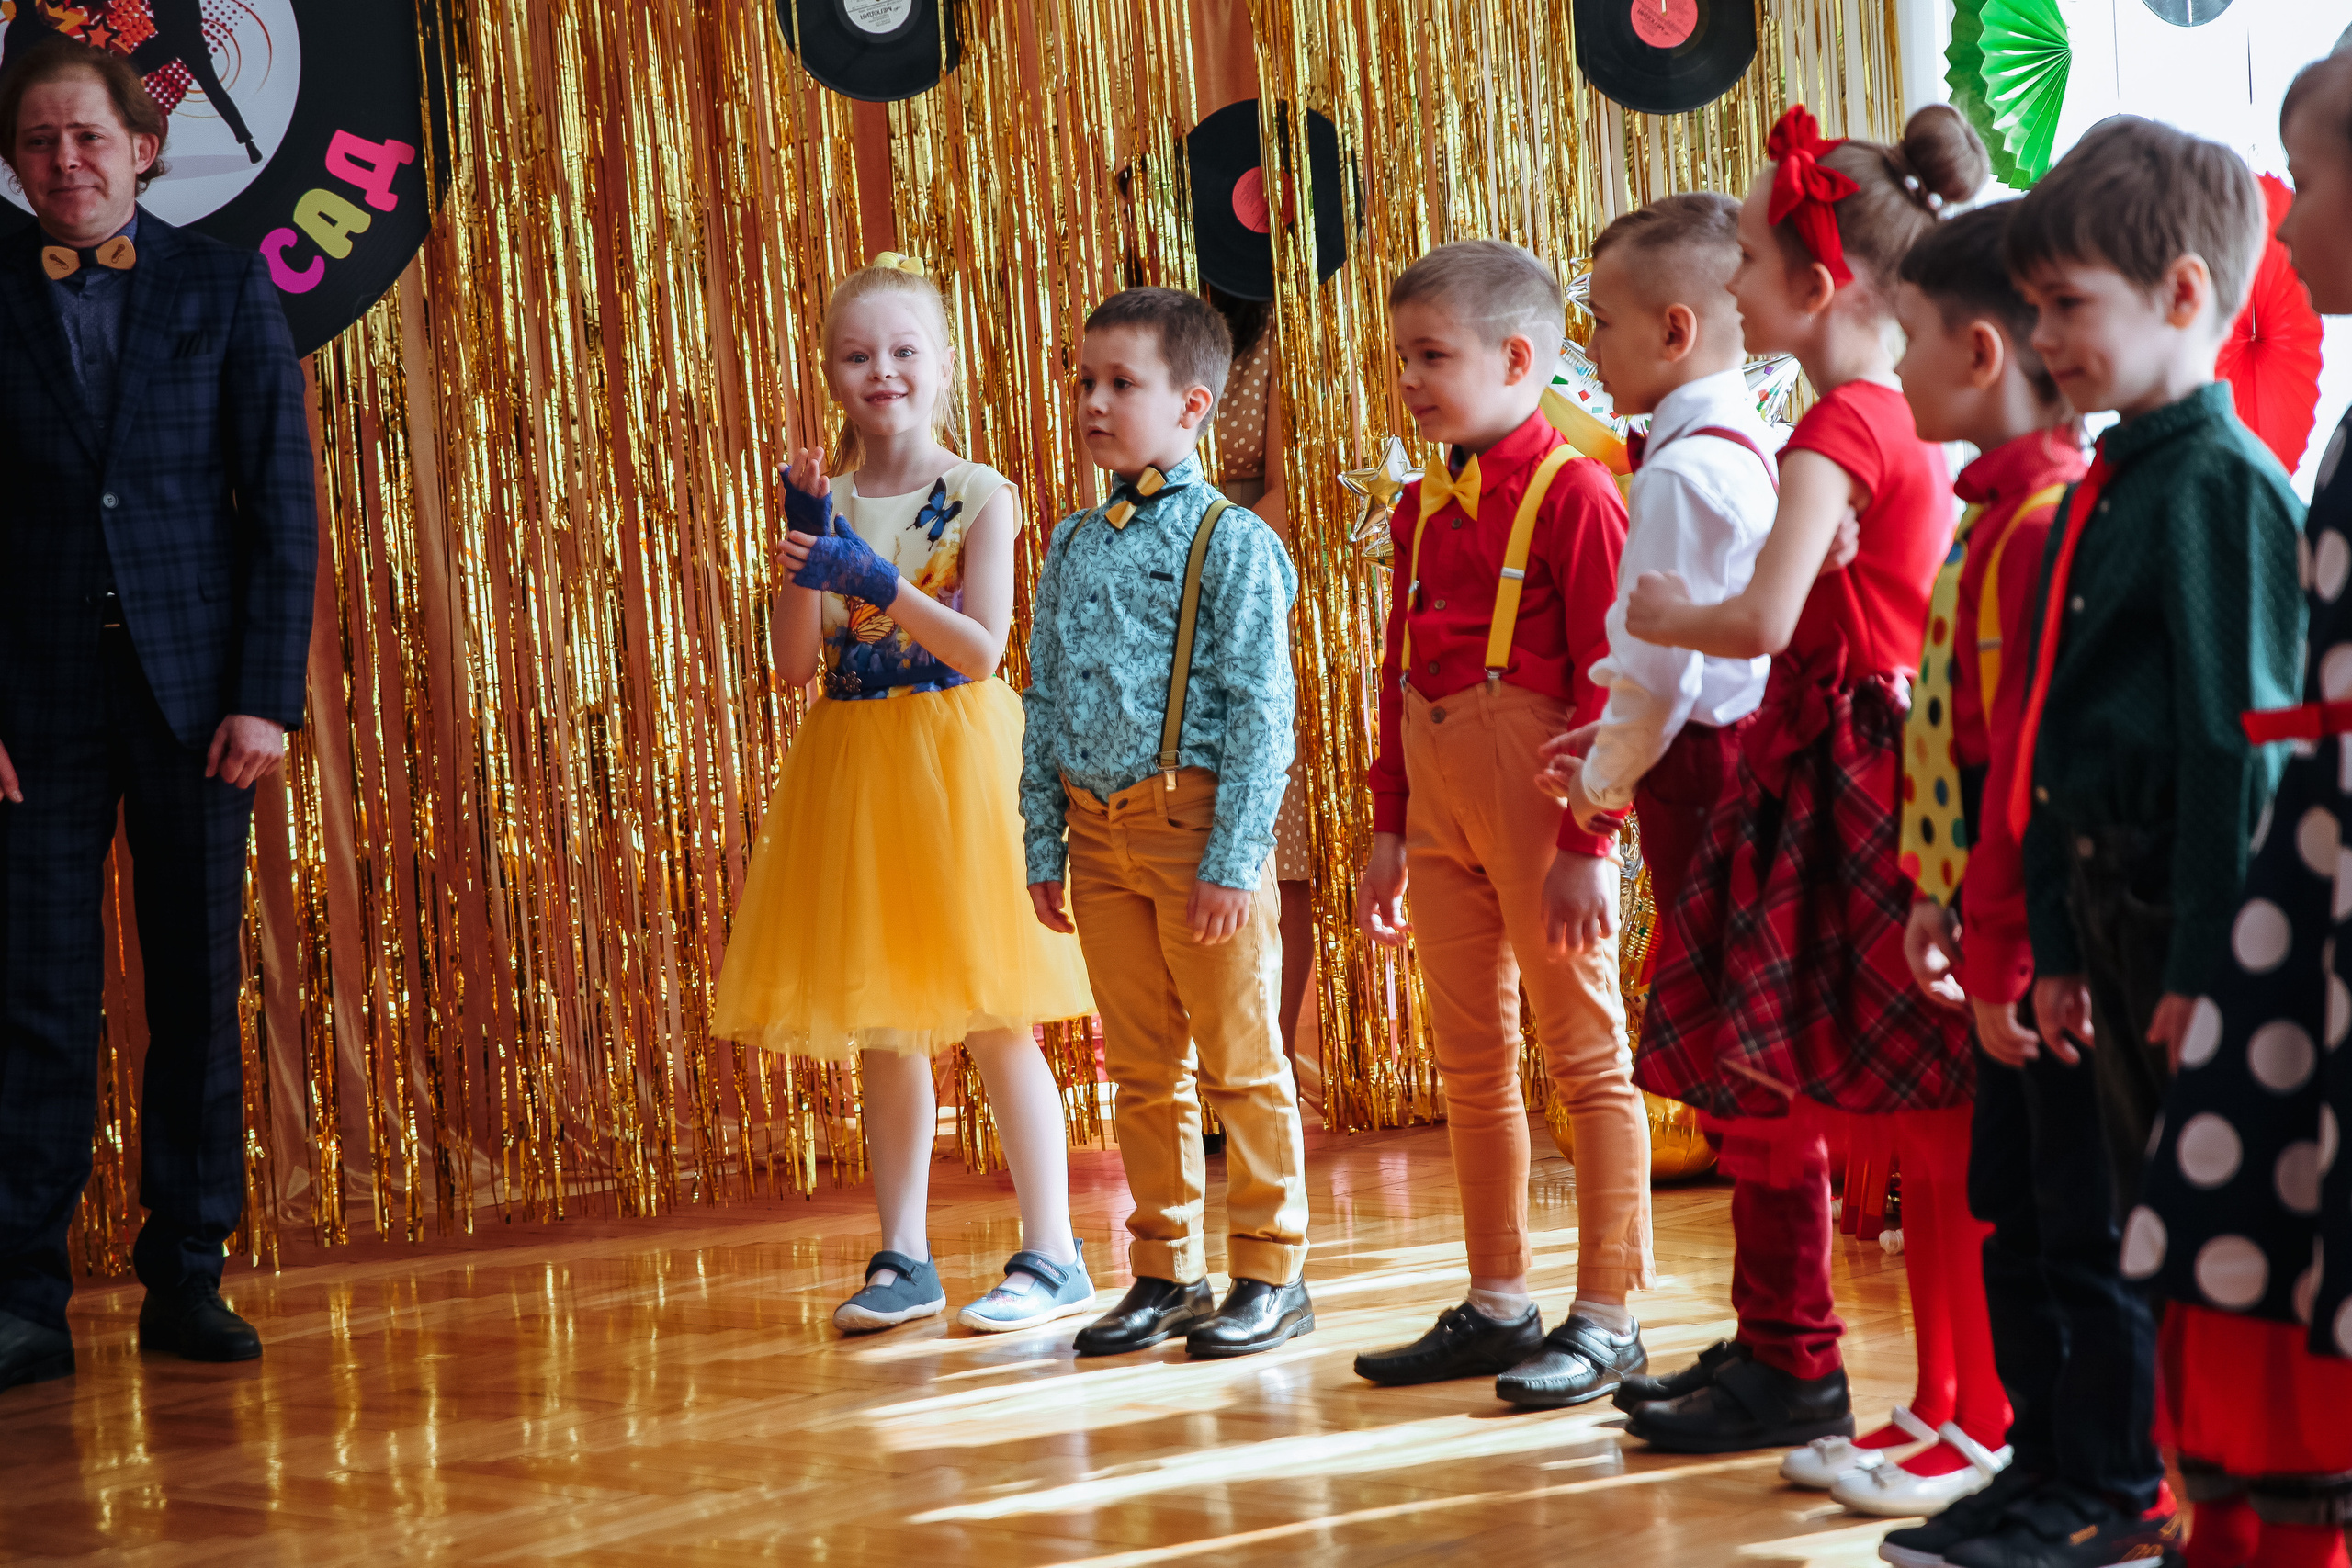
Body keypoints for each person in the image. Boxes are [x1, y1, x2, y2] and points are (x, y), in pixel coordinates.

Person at [1926, 116, 2305, 1568]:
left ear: (2186, 295)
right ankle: (2146, 1482)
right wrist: (2060, 940)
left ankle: (2195, 1494)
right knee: (2133, 1213)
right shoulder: (2113, 476)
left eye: (2068, 304)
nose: (2043, 337)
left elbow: (2231, 746)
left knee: (2181, 1229)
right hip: (2109, 909)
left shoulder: (2217, 486)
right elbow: (2050, 742)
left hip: (2183, 916)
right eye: (2032, 307)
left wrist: (2208, 961)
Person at [1613, 103, 1987, 1456]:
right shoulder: (1896, 417)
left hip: (1840, 767)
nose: (1732, 284)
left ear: (1818, 285)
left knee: (1794, 1067)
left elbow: (1765, 618)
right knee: (1824, 1077)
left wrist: (1670, 613)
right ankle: (1812, 1353)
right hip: (1866, 749)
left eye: (1749, 262)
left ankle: (1839, 1369)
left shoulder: (1838, 430)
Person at [0, 39, 316, 1390]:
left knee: (194, 992)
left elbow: (281, 505)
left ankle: (187, 1272)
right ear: (16, 165)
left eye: (87, 137)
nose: (65, 161)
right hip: (33, 709)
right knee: (35, 997)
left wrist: (265, 696)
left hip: (199, 706)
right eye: (38, 142)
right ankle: (23, 1295)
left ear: (141, 149)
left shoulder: (223, 286)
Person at [711, 254, 1097, 1337]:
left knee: (996, 1019)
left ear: (942, 367)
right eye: (857, 355)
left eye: (902, 351)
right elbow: (795, 665)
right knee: (886, 1027)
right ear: (832, 375)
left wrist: (878, 582)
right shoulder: (827, 501)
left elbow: (981, 651)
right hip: (855, 770)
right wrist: (804, 556)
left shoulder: (979, 493)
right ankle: (904, 1257)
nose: (881, 370)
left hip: (958, 763)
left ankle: (1054, 1252)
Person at [1810, 202, 2088, 1540]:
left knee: (2041, 1219)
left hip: (2020, 935)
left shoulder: (2037, 521)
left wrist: (1996, 937)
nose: (1893, 360)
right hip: (1969, 905)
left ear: (1978, 353)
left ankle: (2045, 1456)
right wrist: (1931, 883)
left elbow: (2022, 762)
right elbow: (1954, 733)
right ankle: (1992, 1434)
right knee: (1993, 1193)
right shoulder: (1989, 513)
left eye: (1909, 334)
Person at [2115, 58, 2352, 1568]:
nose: (2292, 218)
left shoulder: (2223, 480)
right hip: (2311, 888)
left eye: (2311, 182)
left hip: (2317, 886)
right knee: (2268, 1221)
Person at [1348, 239, 1653, 1407]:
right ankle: (1496, 1302)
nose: (1408, 380)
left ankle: (1608, 1315)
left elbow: (1615, 687)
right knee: (1470, 1064)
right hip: (1439, 802)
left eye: (1431, 357)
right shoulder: (1421, 506)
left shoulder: (1576, 494)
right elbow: (1398, 670)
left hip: (1544, 807)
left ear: (1518, 359)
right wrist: (1389, 828)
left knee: (1585, 1059)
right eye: (1402, 358)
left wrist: (1588, 842)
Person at [1022, 287, 1313, 1359]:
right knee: (1142, 1068)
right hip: (1096, 837)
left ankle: (1272, 1270)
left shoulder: (1231, 543)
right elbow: (1045, 697)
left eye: (1121, 384)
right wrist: (1043, 838)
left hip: (1194, 834)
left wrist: (1234, 857)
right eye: (1084, 381)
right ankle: (1165, 1268)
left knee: (1240, 1059)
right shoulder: (1070, 544)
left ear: (1192, 406)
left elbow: (1262, 714)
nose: (1094, 402)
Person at [1533, 192, 1774, 930]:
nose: (1590, 347)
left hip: (1704, 775)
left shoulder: (1677, 474)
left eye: (1603, 322)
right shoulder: (1744, 438)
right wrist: (1610, 738)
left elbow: (1661, 676)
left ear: (1675, 331)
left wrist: (1598, 789)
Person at [1205, 284, 1318, 1122]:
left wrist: (1201, 562)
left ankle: (1266, 1064)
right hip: (1154, 602)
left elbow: (1289, 490)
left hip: (1250, 589)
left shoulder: (1284, 338)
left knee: (1280, 838)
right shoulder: (1143, 325)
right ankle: (1200, 1073)